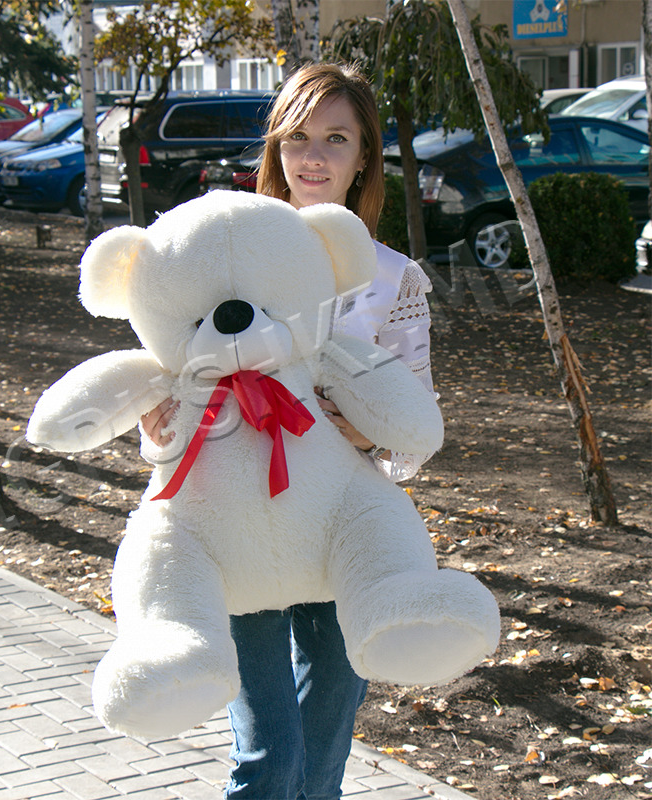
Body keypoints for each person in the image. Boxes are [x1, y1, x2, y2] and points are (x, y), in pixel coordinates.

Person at [140, 62, 436, 800]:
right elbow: (171, 387)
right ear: (275, 147)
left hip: (341, 530)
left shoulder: (393, 279)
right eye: (299, 136)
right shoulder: (218, 256)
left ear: (364, 154)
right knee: (270, 759)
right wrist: (155, 425)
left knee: (325, 748)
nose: (314, 156)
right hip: (235, 529)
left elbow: (416, 427)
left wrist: (364, 436)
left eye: (336, 139)